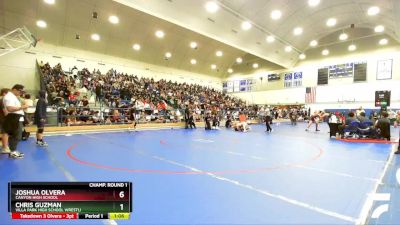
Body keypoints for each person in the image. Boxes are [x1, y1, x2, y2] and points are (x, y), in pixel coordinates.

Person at [2, 84, 28, 158]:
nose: (21, 93)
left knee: (17, 135)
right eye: (20, 91)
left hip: (16, 117)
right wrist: (22, 107)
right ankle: (12, 152)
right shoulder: (9, 97)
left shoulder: (13, 97)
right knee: (16, 135)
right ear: (14, 89)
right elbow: (10, 108)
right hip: (14, 117)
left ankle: (13, 150)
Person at [0, 88, 10, 153]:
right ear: (4, 93)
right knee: (5, 133)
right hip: (3, 118)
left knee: (5, 132)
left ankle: (4, 146)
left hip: (2, 118)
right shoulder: (2, 100)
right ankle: (5, 147)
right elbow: (5, 111)